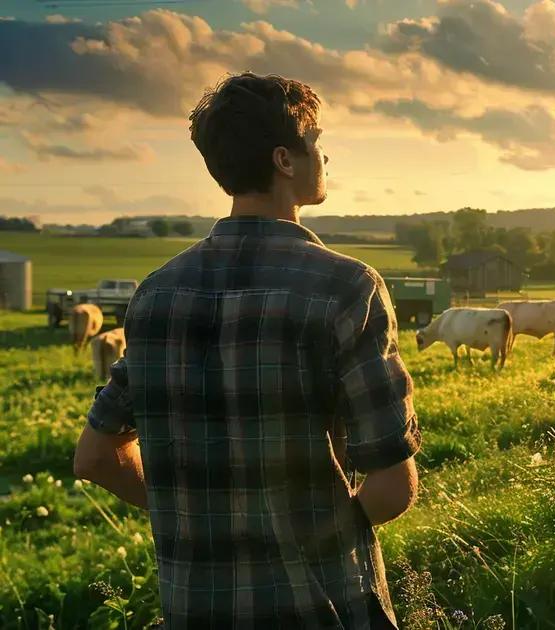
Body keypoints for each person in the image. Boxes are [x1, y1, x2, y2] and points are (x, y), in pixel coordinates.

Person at [72, 72, 420, 628]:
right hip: (323, 608)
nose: (323, 155)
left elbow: (94, 457)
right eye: (316, 141)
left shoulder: (157, 292)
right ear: (286, 160)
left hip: (195, 608)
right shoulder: (346, 288)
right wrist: (302, 543)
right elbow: (392, 487)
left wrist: (197, 521)